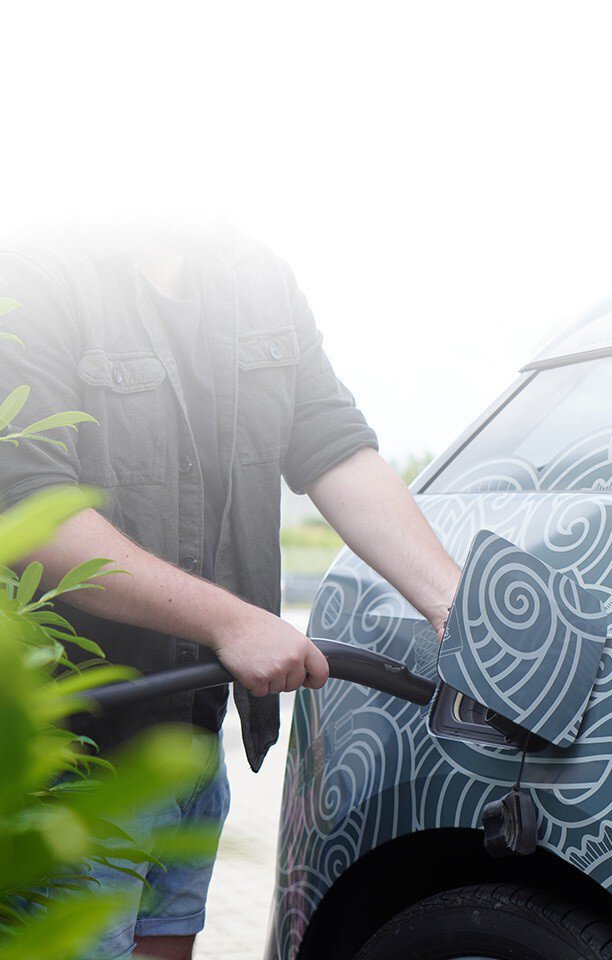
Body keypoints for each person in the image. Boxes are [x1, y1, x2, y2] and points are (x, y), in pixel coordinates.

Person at [0, 221, 460, 960]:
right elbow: (30, 511)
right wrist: (231, 621)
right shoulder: (35, 270)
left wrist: (453, 605)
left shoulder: (257, 279)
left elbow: (332, 444)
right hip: (72, 753)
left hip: (191, 732)